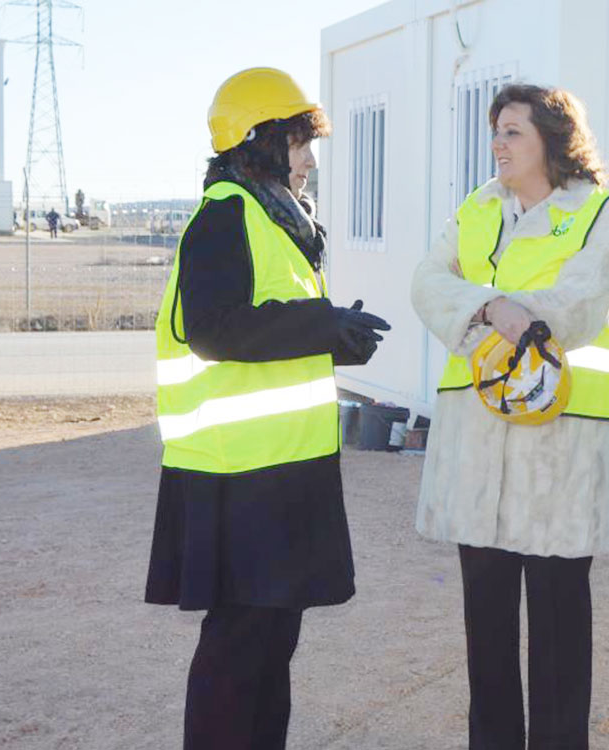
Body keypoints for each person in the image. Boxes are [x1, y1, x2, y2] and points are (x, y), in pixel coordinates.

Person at [143, 67, 391, 750]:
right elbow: (216, 327)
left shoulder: (272, 217)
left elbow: (264, 330)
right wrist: (319, 325)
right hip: (238, 474)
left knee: (271, 643)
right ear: (256, 141)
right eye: (297, 141)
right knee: (240, 649)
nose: (310, 158)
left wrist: (334, 338)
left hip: (278, 469)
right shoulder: (228, 212)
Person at [410, 82, 609, 749]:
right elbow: (428, 283)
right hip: (477, 442)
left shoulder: (600, 212)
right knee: (486, 620)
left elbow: (584, 301)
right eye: (496, 130)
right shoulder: (478, 207)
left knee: (560, 618)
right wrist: (493, 310)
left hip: (562, 444)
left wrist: (495, 309)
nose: (498, 144)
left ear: (553, 141)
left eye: (513, 132)